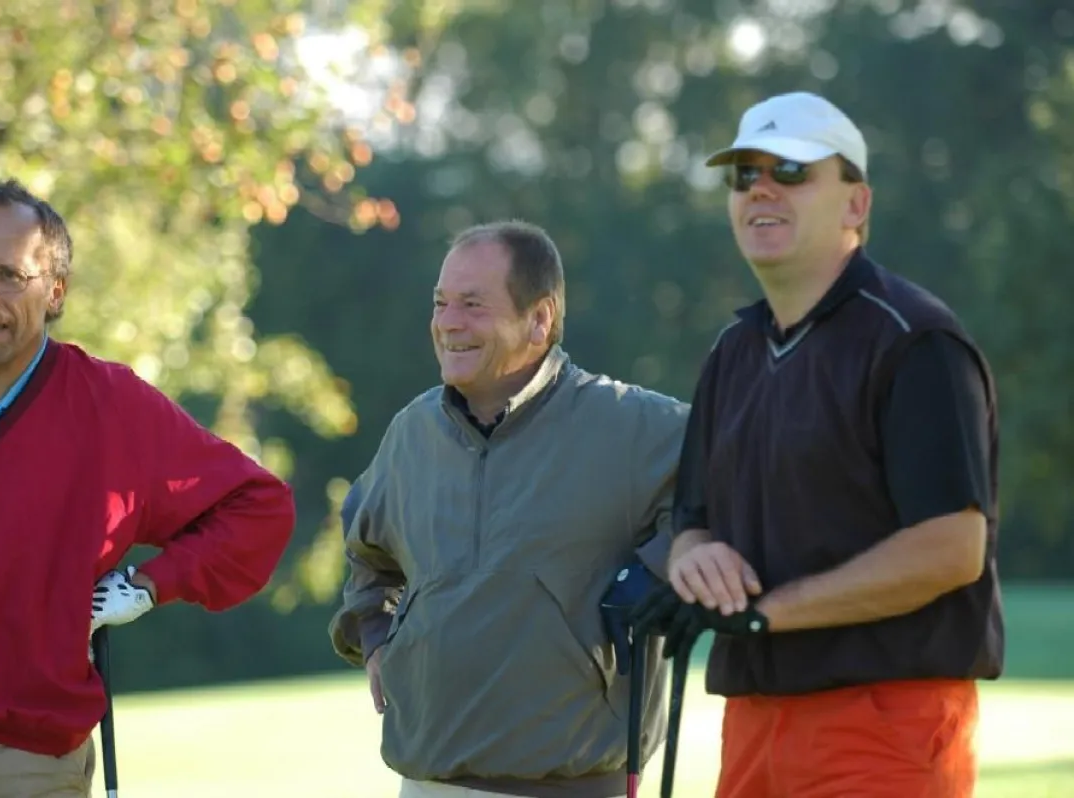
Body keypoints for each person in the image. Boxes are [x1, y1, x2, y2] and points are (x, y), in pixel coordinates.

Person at [634, 92, 1004, 798]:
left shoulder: (915, 340)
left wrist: (768, 610)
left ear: (856, 205)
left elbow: (953, 547)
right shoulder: (733, 351)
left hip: (886, 719)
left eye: (793, 171)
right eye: (744, 175)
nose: (762, 188)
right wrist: (696, 558)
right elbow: (692, 520)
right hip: (751, 720)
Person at [0, 178, 297, 796]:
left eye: (10, 276)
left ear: (56, 290)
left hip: (28, 763)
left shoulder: (113, 408)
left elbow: (258, 507)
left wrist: (149, 584)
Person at [327, 220, 691, 798]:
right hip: (425, 782)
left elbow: (738, 488)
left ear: (540, 318)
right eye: (441, 303)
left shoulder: (631, 426)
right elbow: (368, 557)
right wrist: (374, 637)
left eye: (473, 304)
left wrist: (659, 571)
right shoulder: (411, 435)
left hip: (572, 782)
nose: (448, 322)